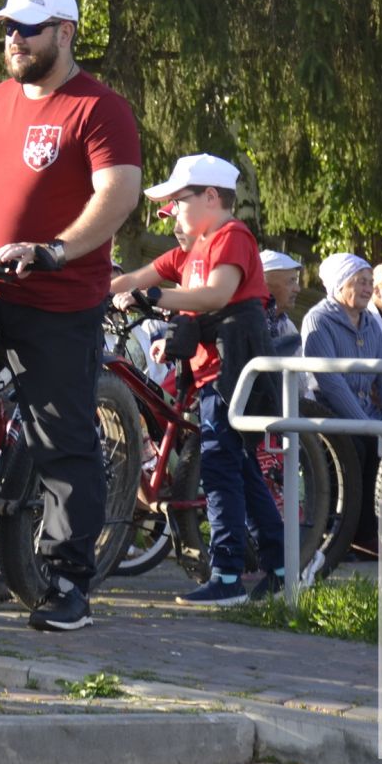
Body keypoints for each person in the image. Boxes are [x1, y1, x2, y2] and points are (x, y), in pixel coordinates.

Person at [0, 0, 142, 632]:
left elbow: (116, 195)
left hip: (59, 298)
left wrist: (56, 249)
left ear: (64, 33)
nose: (13, 40)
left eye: (28, 29)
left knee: (61, 434)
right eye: (8, 29)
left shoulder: (99, 108)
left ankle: (70, 580)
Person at [111, 154, 283, 607]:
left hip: (233, 369)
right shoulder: (190, 252)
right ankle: (281, 566)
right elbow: (131, 278)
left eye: (178, 201)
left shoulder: (232, 236)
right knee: (239, 468)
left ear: (211, 197)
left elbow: (218, 294)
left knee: (220, 466)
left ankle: (227, 576)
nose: (172, 214)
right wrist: (91, 290)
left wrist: (151, 295)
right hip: (211, 371)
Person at [299, 253, 382, 422]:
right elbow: (331, 384)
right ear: (340, 284)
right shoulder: (319, 320)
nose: (368, 290)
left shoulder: (371, 323)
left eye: (371, 283)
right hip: (330, 418)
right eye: (361, 282)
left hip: (371, 416)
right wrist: (366, 426)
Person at [260, 250, 303, 357]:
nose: (297, 289)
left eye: (296, 281)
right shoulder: (249, 322)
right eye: (291, 281)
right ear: (265, 284)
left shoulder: (288, 326)